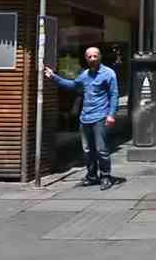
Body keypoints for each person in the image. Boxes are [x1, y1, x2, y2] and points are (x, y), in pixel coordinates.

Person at [44, 47, 119, 190]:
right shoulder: (84, 75)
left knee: (101, 149)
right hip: (85, 118)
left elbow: (114, 95)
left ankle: (105, 176)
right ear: (86, 58)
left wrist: (111, 114)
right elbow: (72, 85)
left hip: (100, 117)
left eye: (95, 56)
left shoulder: (109, 73)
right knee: (87, 150)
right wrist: (54, 77)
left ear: (100, 57)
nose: (92, 59)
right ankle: (92, 176)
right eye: (89, 57)